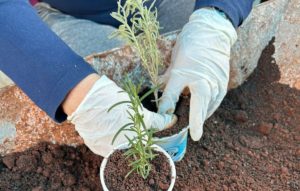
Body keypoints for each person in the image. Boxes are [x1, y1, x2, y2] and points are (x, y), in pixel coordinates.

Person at [0, 0, 254, 156]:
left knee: (196, 67)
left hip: (167, 3)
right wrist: (77, 93)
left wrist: (216, 17)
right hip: (68, 15)